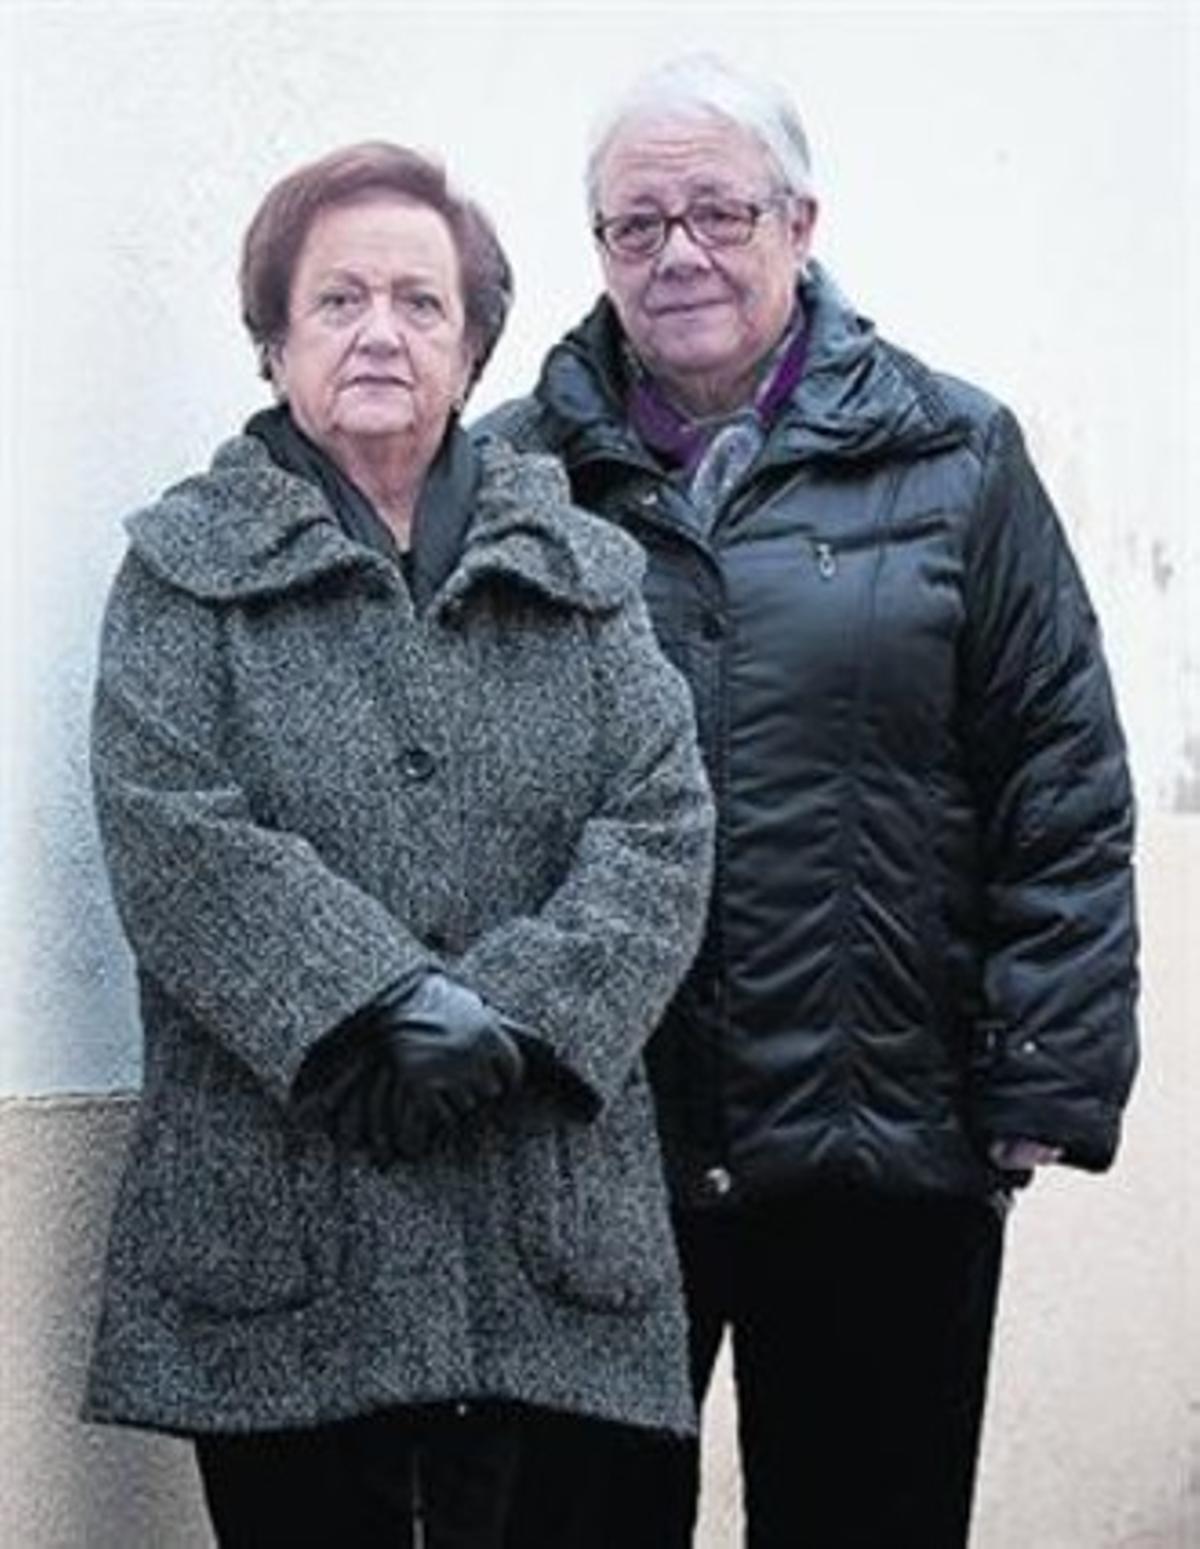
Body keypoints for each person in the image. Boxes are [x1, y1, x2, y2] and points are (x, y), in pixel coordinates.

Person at [482, 54, 1139, 1549]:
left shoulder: (954, 452)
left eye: (718, 210)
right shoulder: (514, 475)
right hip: (598, 1151)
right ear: (597, 251)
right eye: (635, 224)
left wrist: (1039, 1078)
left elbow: (1062, 775)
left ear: (801, 221)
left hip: (885, 1144)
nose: (678, 253)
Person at [83, 141, 715, 1549]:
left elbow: (662, 824)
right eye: (339, 299)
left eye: (422, 303)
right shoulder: (181, 571)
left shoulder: (588, 573)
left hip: (543, 1223)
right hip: (284, 1229)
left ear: (474, 342)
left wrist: (509, 1014)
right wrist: (384, 1001)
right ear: (273, 340)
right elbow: (173, 830)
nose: (382, 331)